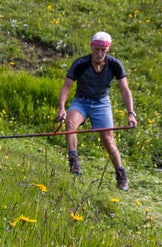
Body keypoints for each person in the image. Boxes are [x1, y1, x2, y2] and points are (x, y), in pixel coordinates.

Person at [57, 31, 137, 191]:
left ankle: (120, 174)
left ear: (108, 49)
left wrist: (131, 113)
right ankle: (74, 162)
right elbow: (66, 86)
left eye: (103, 50)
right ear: (92, 48)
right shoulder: (80, 63)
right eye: (96, 50)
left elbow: (125, 89)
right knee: (70, 123)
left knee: (108, 140)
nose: (99, 54)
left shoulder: (114, 64)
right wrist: (62, 108)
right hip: (81, 101)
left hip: (101, 103)